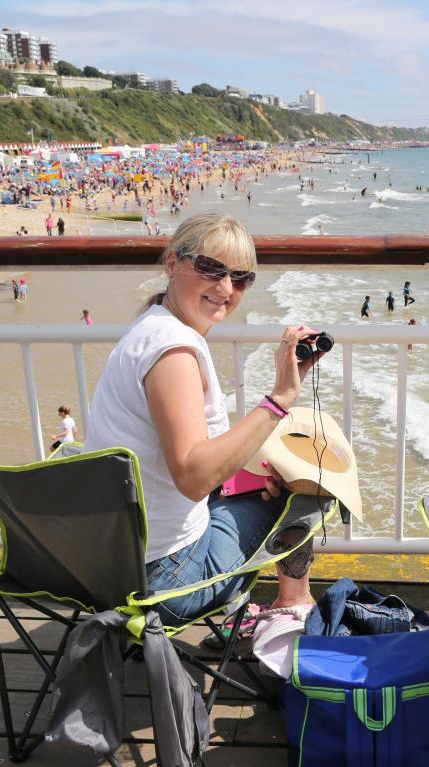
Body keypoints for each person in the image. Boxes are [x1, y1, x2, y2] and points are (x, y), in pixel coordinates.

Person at [83, 212, 327, 628]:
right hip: (163, 582)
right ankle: (294, 603)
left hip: (104, 564)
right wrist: (281, 396)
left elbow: (178, 463)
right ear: (172, 264)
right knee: (310, 484)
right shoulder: (173, 352)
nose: (225, 288)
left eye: (241, 277)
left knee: (260, 480)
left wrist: (240, 477)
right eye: (210, 268)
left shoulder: (151, 327)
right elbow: (194, 477)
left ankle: (252, 607)